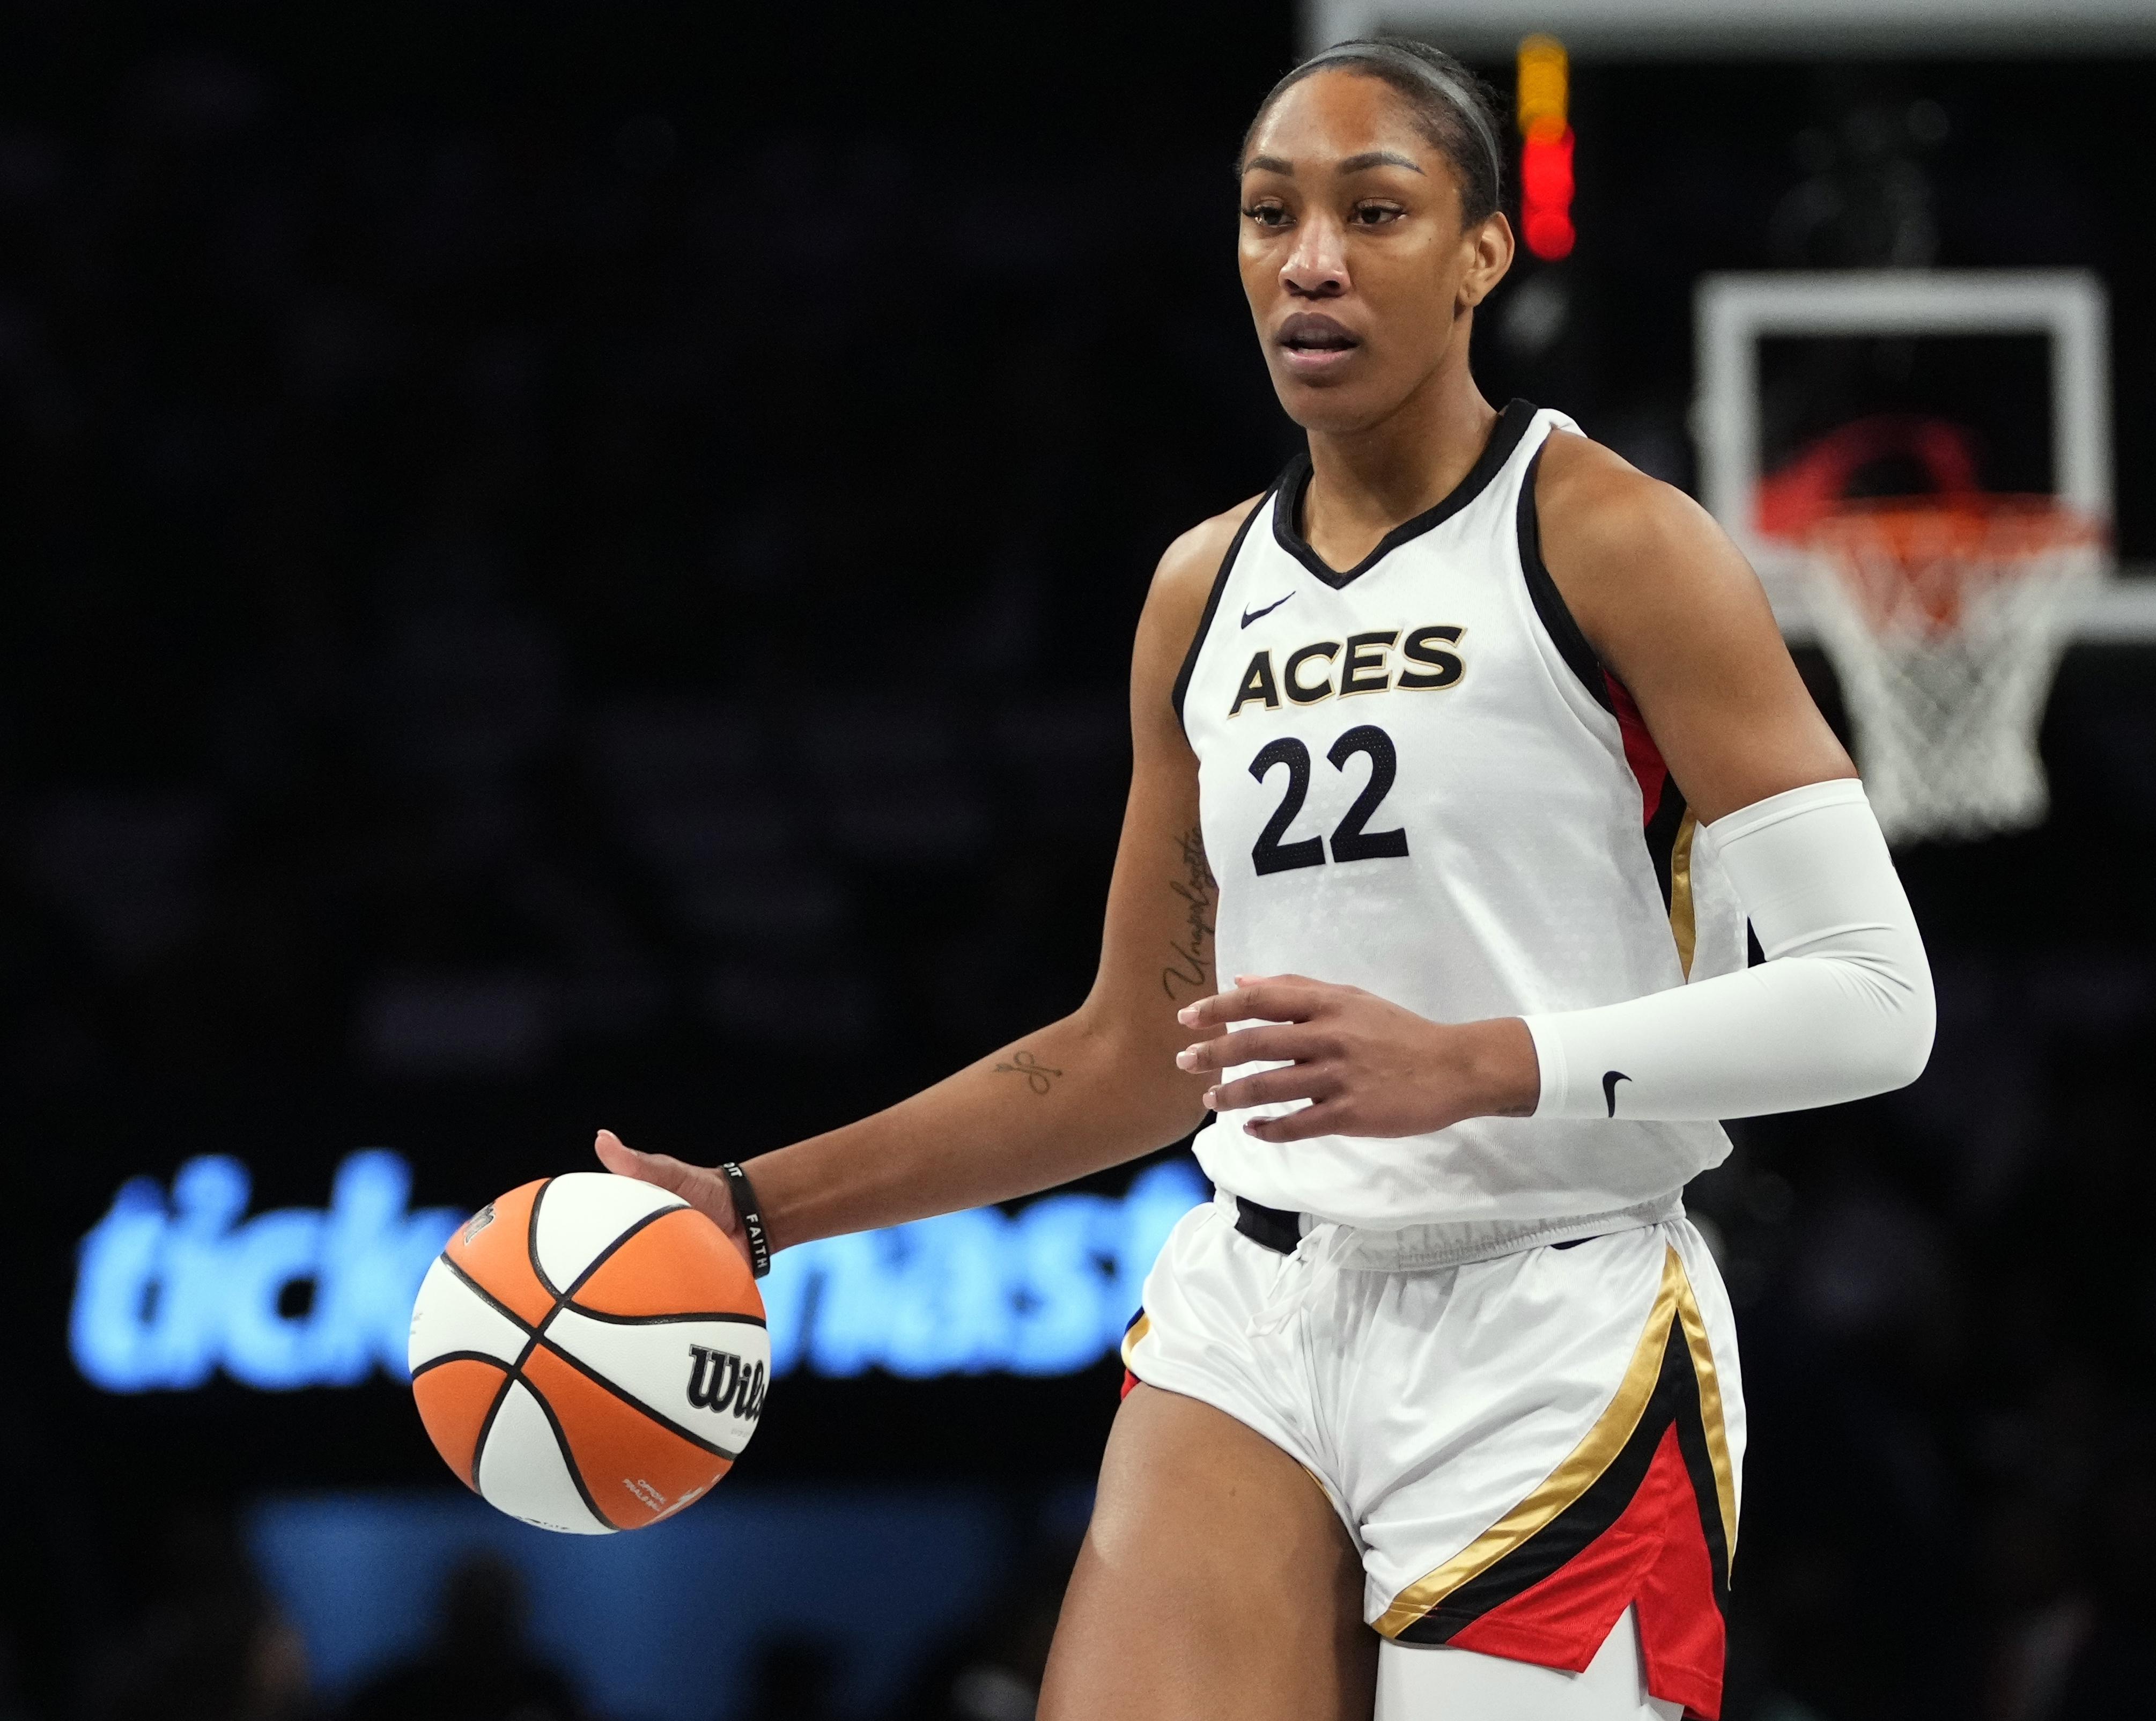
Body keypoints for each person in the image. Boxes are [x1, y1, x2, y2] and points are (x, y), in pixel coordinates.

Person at [599, 38, 1932, 1721]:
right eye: (1267, 215)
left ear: (1479, 257)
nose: (1310, 259)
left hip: (1556, 1310)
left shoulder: (1616, 538)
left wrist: (1472, 1061)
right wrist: (754, 1205)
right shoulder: (1201, 588)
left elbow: (1879, 1001)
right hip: (1258, 1296)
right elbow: (1132, 1052)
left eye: (1376, 212)